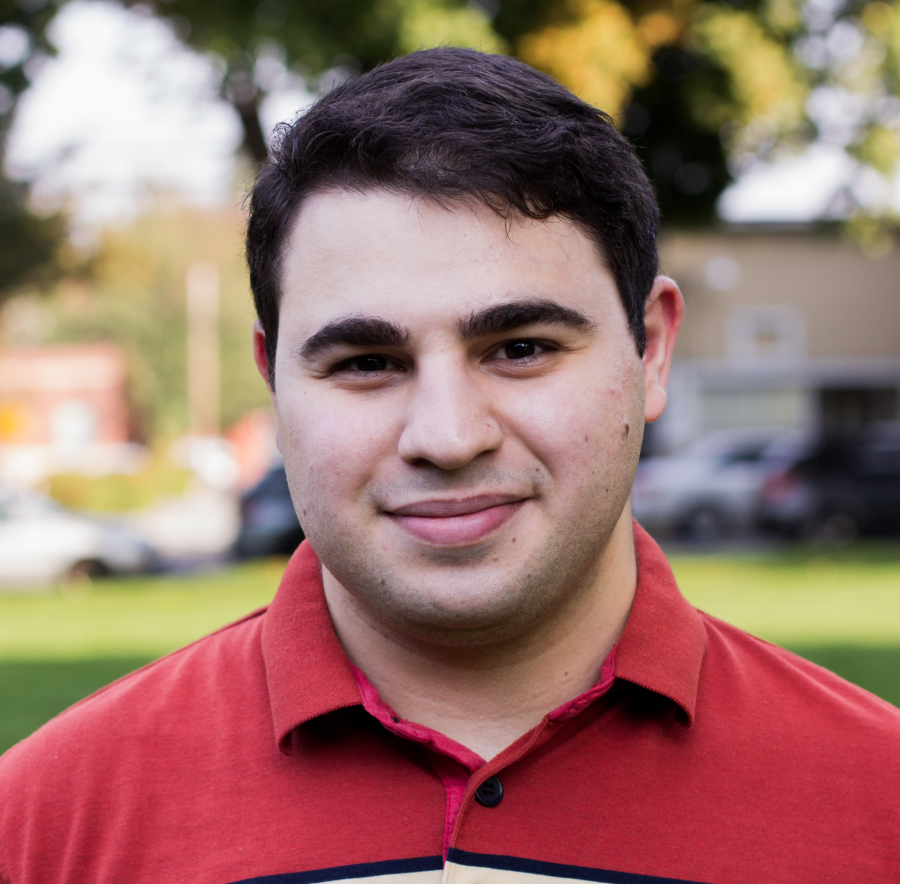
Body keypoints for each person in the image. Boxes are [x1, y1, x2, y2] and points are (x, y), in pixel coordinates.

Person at [1, 47, 898, 884]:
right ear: (275, 382)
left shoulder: (877, 804)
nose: (447, 435)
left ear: (650, 351)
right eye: (366, 363)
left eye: (520, 347)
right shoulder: (47, 825)